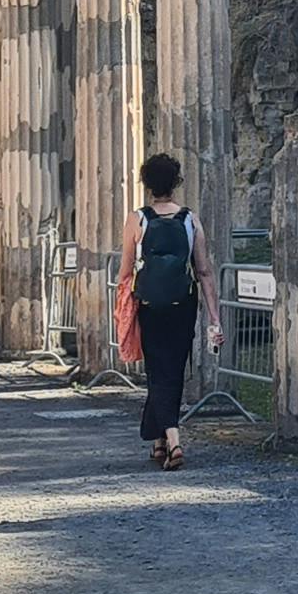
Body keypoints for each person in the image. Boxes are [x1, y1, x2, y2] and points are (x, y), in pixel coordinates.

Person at [116, 150, 220, 470]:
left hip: (150, 304)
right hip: (183, 304)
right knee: (172, 369)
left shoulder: (138, 219)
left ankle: (172, 440)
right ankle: (159, 440)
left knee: (157, 370)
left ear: (147, 184)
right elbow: (203, 271)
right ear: (175, 183)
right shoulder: (190, 219)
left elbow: (124, 272)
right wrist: (215, 318)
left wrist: (123, 307)